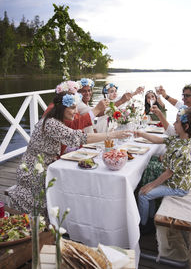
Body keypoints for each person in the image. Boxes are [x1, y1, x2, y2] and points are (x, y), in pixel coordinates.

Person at [8, 91, 131, 219]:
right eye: (72, 108)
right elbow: (78, 137)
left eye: (76, 107)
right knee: (74, 182)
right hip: (33, 172)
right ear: (62, 108)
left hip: (43, 166)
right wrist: (112, 135)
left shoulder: (55, 121)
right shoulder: (52, 124)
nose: (76, 111)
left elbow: (73, 136)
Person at [134, 106, 191, 233]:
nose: (173, 124)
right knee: (147, 189)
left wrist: (151, 186)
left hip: (178, 187)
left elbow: (168, 173)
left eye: (176, 122)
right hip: (174, 182)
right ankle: (150, 218)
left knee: (143, 194)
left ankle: (143, 226)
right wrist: (142, 134)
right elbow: (159, 139)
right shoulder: (178, 139)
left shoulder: (181, 149)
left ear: (185, 127)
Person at [151, 83, 191, 180]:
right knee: (152, 156)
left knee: (148, 164)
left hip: (186, 168)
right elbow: (178, 104)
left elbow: (173, 133)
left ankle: (147, 191)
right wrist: (165, 95)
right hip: (186, 159)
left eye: (187, 96)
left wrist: (160, 115)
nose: (183, 98)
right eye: (183, 95)